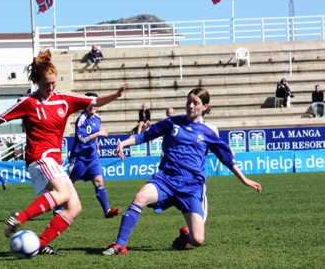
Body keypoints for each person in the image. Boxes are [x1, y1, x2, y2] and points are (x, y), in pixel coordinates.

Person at [0, 49, 128, 255]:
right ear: (37, 82)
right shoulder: (28, 103)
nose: (51, 87)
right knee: (63, 193)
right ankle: (20, 217)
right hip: (39, 157)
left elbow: (94, 101)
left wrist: (115, 95)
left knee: (75, 207)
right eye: (46, 84)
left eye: (53, 83)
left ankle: (41, 244)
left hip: (53, 160)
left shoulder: (64, 99)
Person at [102, 87, 262, 256]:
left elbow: (226, 158)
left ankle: (184, 237)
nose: (191, 106)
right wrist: (124, 143)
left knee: (198, 240)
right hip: (166, 180)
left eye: (195, 103)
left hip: (192, 187)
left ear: (205, 107)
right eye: (188, 102)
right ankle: (120, 245)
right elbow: (145, 136)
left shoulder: (208, 132)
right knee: (140, 197)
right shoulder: (171, 122)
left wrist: (244, 179)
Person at [66, 92, 121, 218]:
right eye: (90, 103)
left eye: (94, 103)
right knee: (72, 183)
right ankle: (58, 208)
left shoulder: (98, 118)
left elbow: (94, 138)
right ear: (85, 104)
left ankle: (107, 211)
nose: (93, 106)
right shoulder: (81, 120)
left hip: (92, 157)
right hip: (79, 157)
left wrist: (97, 147)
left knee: (99, 181)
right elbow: (82, 139)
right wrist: (98, 134)